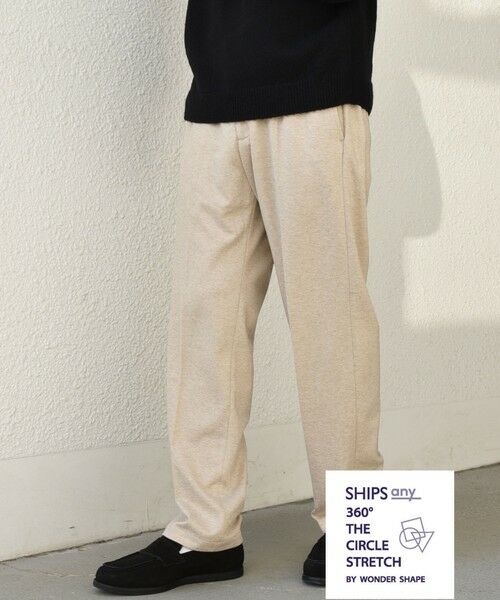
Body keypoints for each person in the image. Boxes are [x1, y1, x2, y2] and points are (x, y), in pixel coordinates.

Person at [93, 0, 382, 594]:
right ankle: (205, 532)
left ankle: (359, 527)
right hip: (218, 95)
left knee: (331, 323)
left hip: (317, 85)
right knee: (204, 324)